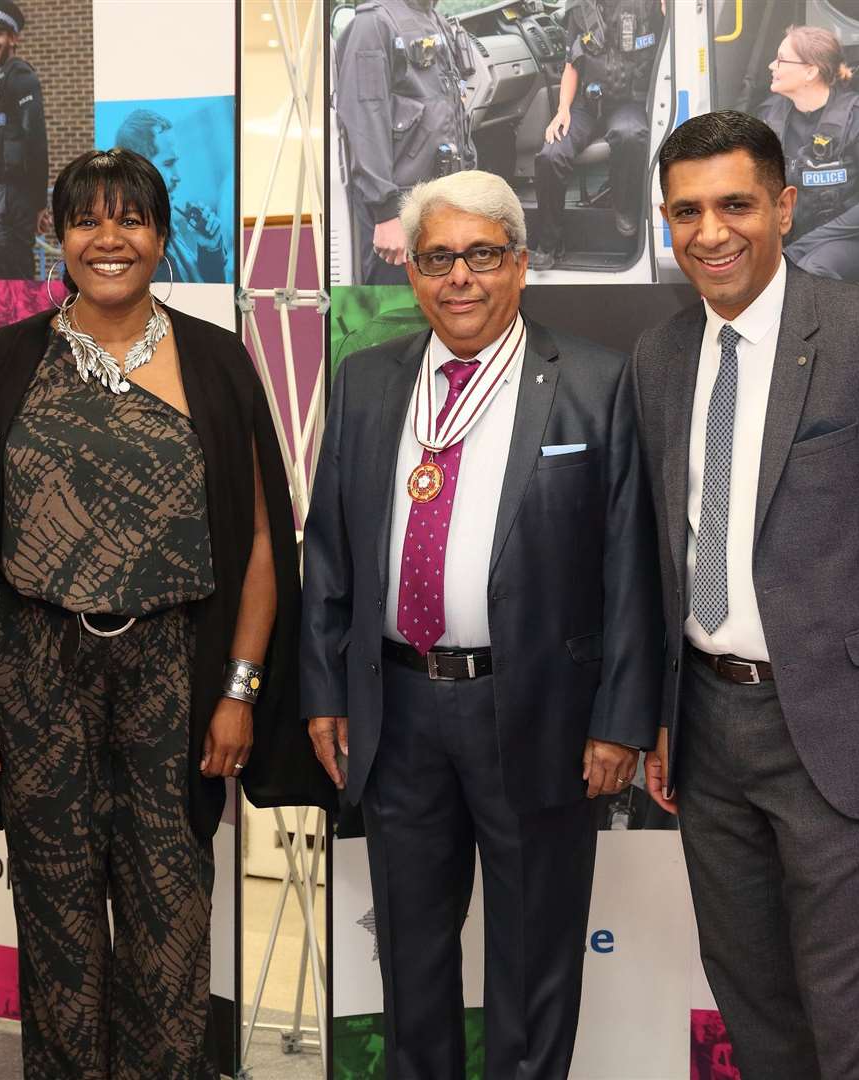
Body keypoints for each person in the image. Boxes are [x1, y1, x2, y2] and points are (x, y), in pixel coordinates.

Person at [0, 148, 330, 1079]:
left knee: (171, 926)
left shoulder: (218, 361)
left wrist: (238, 690)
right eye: (86, 220)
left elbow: (263, 545)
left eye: (131, 220)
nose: (108, 240)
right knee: (57, 927)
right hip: (33, 671)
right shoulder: (5, 360)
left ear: (161, 235)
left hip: (176, 675)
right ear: (56, 236)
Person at [632, 110, 859, 1079]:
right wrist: (654, 714)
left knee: (850, 1016)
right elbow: (657, 554)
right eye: (686, 211)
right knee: (752, 1003)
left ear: (785, 208)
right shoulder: (659, 358)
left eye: (736, 204)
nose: (711, 232)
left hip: (838, 733)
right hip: (704, 731)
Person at [300, 169, 660, 1079]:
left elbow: (629, 564)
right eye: (437, 259)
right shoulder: (367, 379)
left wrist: (620, 719)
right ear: (412, 274)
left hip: (533, 710)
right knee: (411, 952)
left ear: (520, 265)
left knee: (533, 957)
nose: (459, 278)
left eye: (481, 256)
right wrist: (324, 692)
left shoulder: (592, 382)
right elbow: (330, 553)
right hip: (397, 708)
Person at [333, 0, 476, 285]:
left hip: (439, 198)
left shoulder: (434, 19)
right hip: (399, 209)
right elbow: (365, 122)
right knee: (396, 318)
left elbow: (449, 112)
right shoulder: (372, 25)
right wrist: (386, 214)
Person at [754, 25, 859, 282]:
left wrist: (799, 249)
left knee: (811, 269)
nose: (771, 65)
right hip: (797, 239)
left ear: (811, 70)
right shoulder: (768, 118)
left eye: (781, 59)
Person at [530, 0, 661, 269]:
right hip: (586, 104)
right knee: (551, 154)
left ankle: (624, 207)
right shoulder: (579, 8)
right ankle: (549, 242)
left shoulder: (648, 5)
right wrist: (563, 109)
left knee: (630, 134)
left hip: (629, 101)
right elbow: (571, 64)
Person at [0, 0, 49, 280]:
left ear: (14, 38)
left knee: (15, 281)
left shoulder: (21, 77)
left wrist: (40, 203)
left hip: (14, 199)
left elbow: (37, 144)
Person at [114, 110, 229, 284]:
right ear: (138, 170)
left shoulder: (164, 227)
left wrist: (209, 247)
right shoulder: (132, 243)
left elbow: (201, 293)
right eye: (168, 164)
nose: (177, 176)